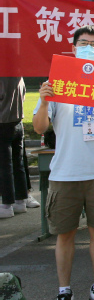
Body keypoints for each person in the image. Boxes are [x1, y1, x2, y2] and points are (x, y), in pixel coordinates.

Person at [32, 25, 94, 300]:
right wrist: (44, 101)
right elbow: (40, 127)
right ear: (73, 49)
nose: (88, 48)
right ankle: (64, 291)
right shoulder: (55, 82)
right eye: (83, 43)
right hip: (65, 172)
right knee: (64, 235)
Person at [0, 77, 31, 218]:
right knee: (18, 164)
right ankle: (21, 200)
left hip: (3, 121)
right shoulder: (18, 77)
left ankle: (7, 204)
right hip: (17, 122)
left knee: (4, 166)